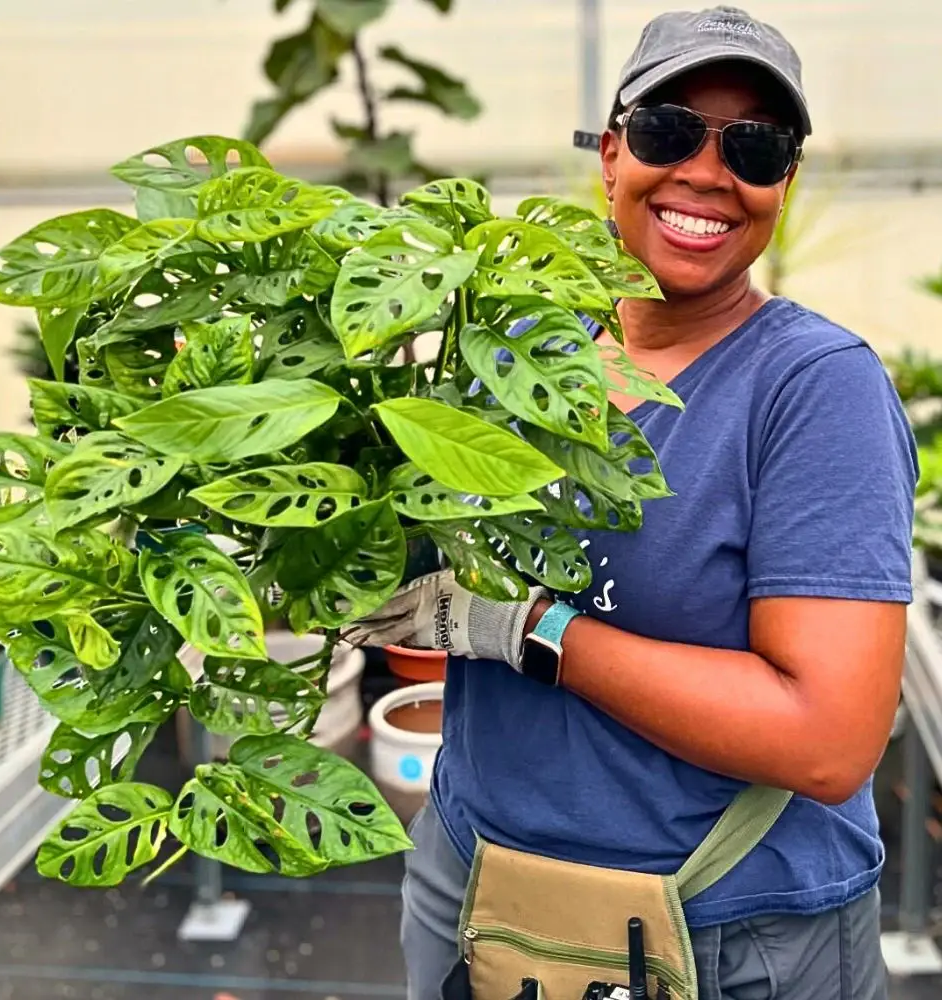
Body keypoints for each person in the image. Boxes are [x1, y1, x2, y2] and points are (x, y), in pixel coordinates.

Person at [349, 7, 917, 999]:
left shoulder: (813, 389)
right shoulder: (513, 344)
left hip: (731, 934)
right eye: (666, 130)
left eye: (753, 144)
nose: (706, 170)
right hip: (477, 891)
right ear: (610, 153)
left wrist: (525, 628)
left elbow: (825, 739)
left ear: (784, 180)